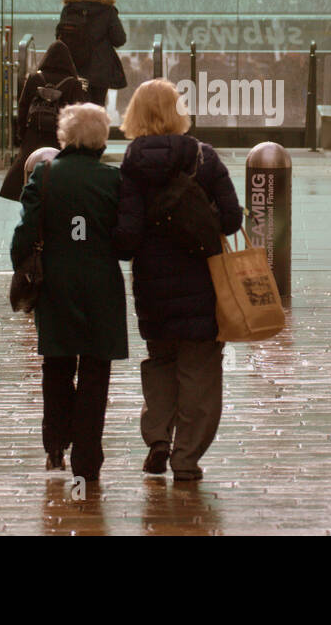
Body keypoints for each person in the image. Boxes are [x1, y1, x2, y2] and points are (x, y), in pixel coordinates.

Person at [114, 79, 242, 481]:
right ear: (177, 111)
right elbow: (233, 217)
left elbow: (126, 239)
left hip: (152, 285)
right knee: (200, 369)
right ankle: (186, 458)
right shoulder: (204, 158)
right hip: (202, 281)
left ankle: (157, 441)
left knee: (161, 361)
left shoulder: (131, 166)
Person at [10, 104, 127, 480]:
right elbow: (125, 240)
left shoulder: (44, 175)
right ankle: (87, 458)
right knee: (95, 368)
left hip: (56, 285)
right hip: (101, 286)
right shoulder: (113, 179)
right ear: (101, 138)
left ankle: (56, 445)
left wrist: (25, 267)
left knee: (57, 365)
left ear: (65, 136)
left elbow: (23, 235)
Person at [1, 41, 85, 202]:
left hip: (35, 134)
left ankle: (27, 200)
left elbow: (23, 106)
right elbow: (79, 114)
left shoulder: (34, 78)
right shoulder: (74, 84)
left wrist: (22, 133)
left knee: (25, 168)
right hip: (60, 136)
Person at [55, 0, 126, 107]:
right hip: (100, 70)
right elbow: (119, 39)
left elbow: (59, 36)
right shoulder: (107, 10)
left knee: (74, 106)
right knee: (96, 108)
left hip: (73, 67)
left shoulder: (69, 8)